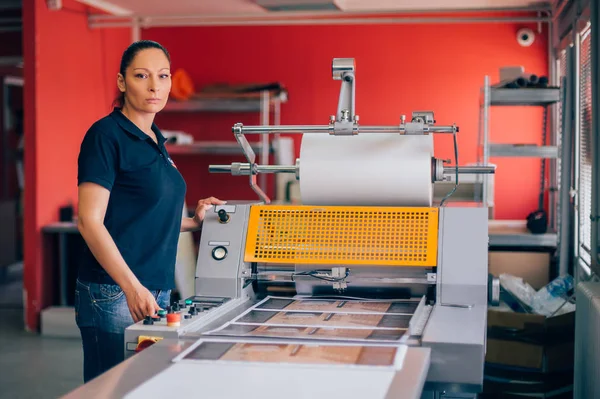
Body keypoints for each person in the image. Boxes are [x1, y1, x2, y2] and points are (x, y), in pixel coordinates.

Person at [75, 40, 224, 383]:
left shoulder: (155, 138)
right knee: (111, 388)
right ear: (122, 82)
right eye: (142, 75)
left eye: (163, 75)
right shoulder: (106, 135)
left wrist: (193, 221)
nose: (155, 86)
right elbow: (89, 221)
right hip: (114, 291)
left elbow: (146, 217)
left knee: (142, 387)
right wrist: (132, 288)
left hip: (153, 289)